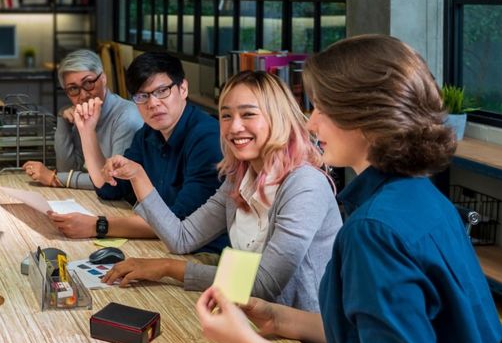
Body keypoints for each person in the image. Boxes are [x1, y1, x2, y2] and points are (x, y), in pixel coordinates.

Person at [195, 35, 502, 343]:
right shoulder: (419, 196)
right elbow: (401, 337)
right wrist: (285, 320)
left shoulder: (374, 229)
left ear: (365, 118)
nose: (311, 124)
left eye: (322, 110)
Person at [102, 70, 341, 311]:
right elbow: (181, 238)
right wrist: (138, 176)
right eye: (226, 116)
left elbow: (264, 284)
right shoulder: (238, 177)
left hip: (300, 342)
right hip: (245, 315)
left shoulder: (304, 184)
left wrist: (169, 268)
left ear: (278, 117)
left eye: (248, 114)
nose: (234, 127)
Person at [50, 51, 226, 253]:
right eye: (142, 96)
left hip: (205, 256)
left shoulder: (207, 139)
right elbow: (110, 188)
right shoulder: (148, 134)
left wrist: (98, 225)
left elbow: (178, 224)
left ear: (183, 88)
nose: (153, 103)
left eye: (162, 91)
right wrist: (87, 130)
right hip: (161, 246)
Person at [22, 49, 142, 190]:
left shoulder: (127, 117)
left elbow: (114, 181)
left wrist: (54, 178)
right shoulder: (83, 113)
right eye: (73, 89)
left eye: (88, 83)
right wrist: (63, 121)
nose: (83, 95)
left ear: (103, 78)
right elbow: (68, 168)